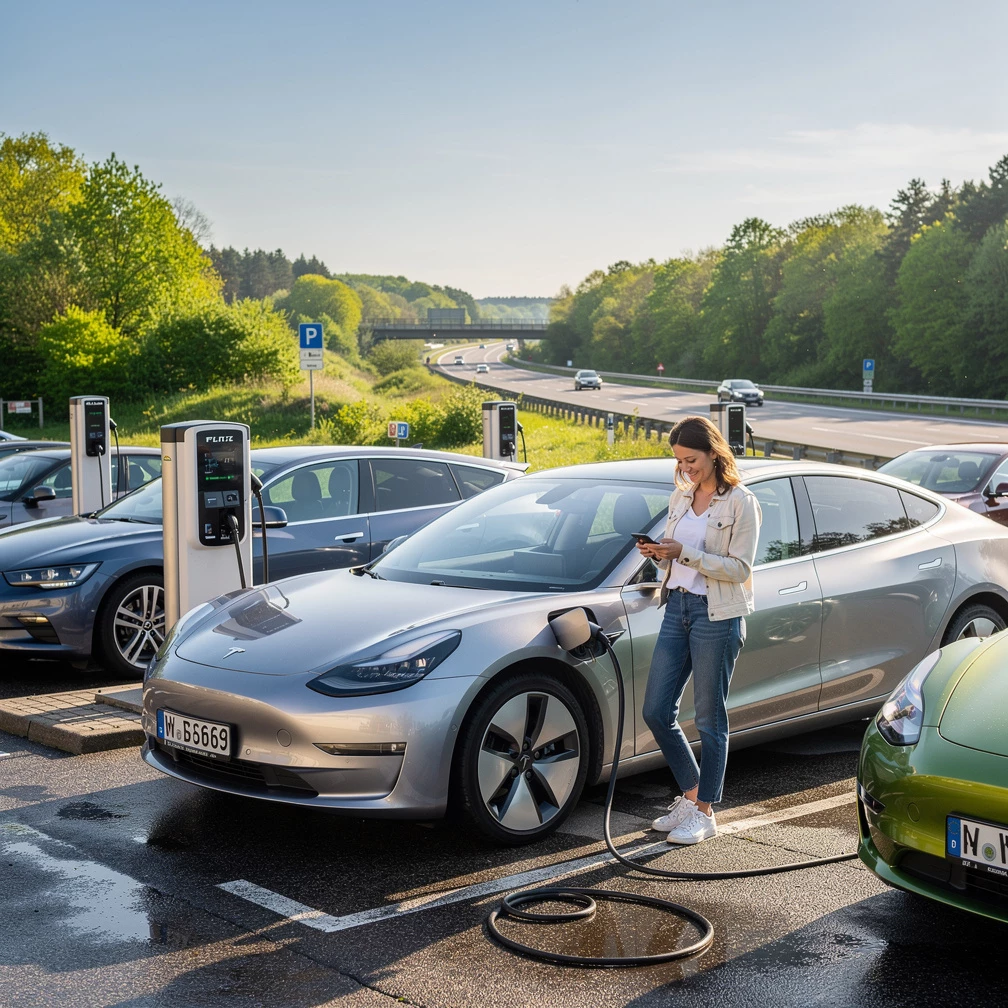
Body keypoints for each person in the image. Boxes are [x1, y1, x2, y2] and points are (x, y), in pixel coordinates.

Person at [635, 415, 761, 846]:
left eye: (692, 460)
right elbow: (675, 559)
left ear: (713, 451)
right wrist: (658, 555)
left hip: (717, 614)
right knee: (656, 710)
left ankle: (705, 812)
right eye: (680, 462)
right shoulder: (681, 497)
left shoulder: (741, 502)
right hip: (678, 608)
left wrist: (684, 552)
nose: (686, 469)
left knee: (709, 716)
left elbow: (741, 568)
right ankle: (691, 796)